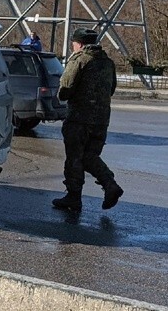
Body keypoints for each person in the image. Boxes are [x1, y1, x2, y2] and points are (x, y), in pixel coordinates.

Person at [52, 28, 123, 214]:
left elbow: (66, 88)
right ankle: (110, 184)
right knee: (90, 156)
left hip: (79, 119)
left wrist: (62, 95)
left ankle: (74, 197)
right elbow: (112, 88)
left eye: (73, 43)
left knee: (75, 157)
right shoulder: (107, 63)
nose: (72, 47)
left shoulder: (79, 59)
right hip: (101, 120)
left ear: (80, 44)